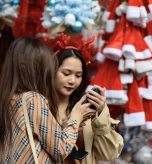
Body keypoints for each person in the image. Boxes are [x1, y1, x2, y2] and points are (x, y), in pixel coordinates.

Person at [0, 36, 95, 163]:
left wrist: (63, 128)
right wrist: (76, 117)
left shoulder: (3, 103)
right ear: (38, 69)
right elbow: (61, 150)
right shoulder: (33, 100)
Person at [53, 33, 124, 164]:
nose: (72, 81)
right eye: (66, 73)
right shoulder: (40, 105)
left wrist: (101, 114)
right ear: (52, 71)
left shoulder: (87, 110)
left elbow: (109, 153)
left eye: (78, 75)